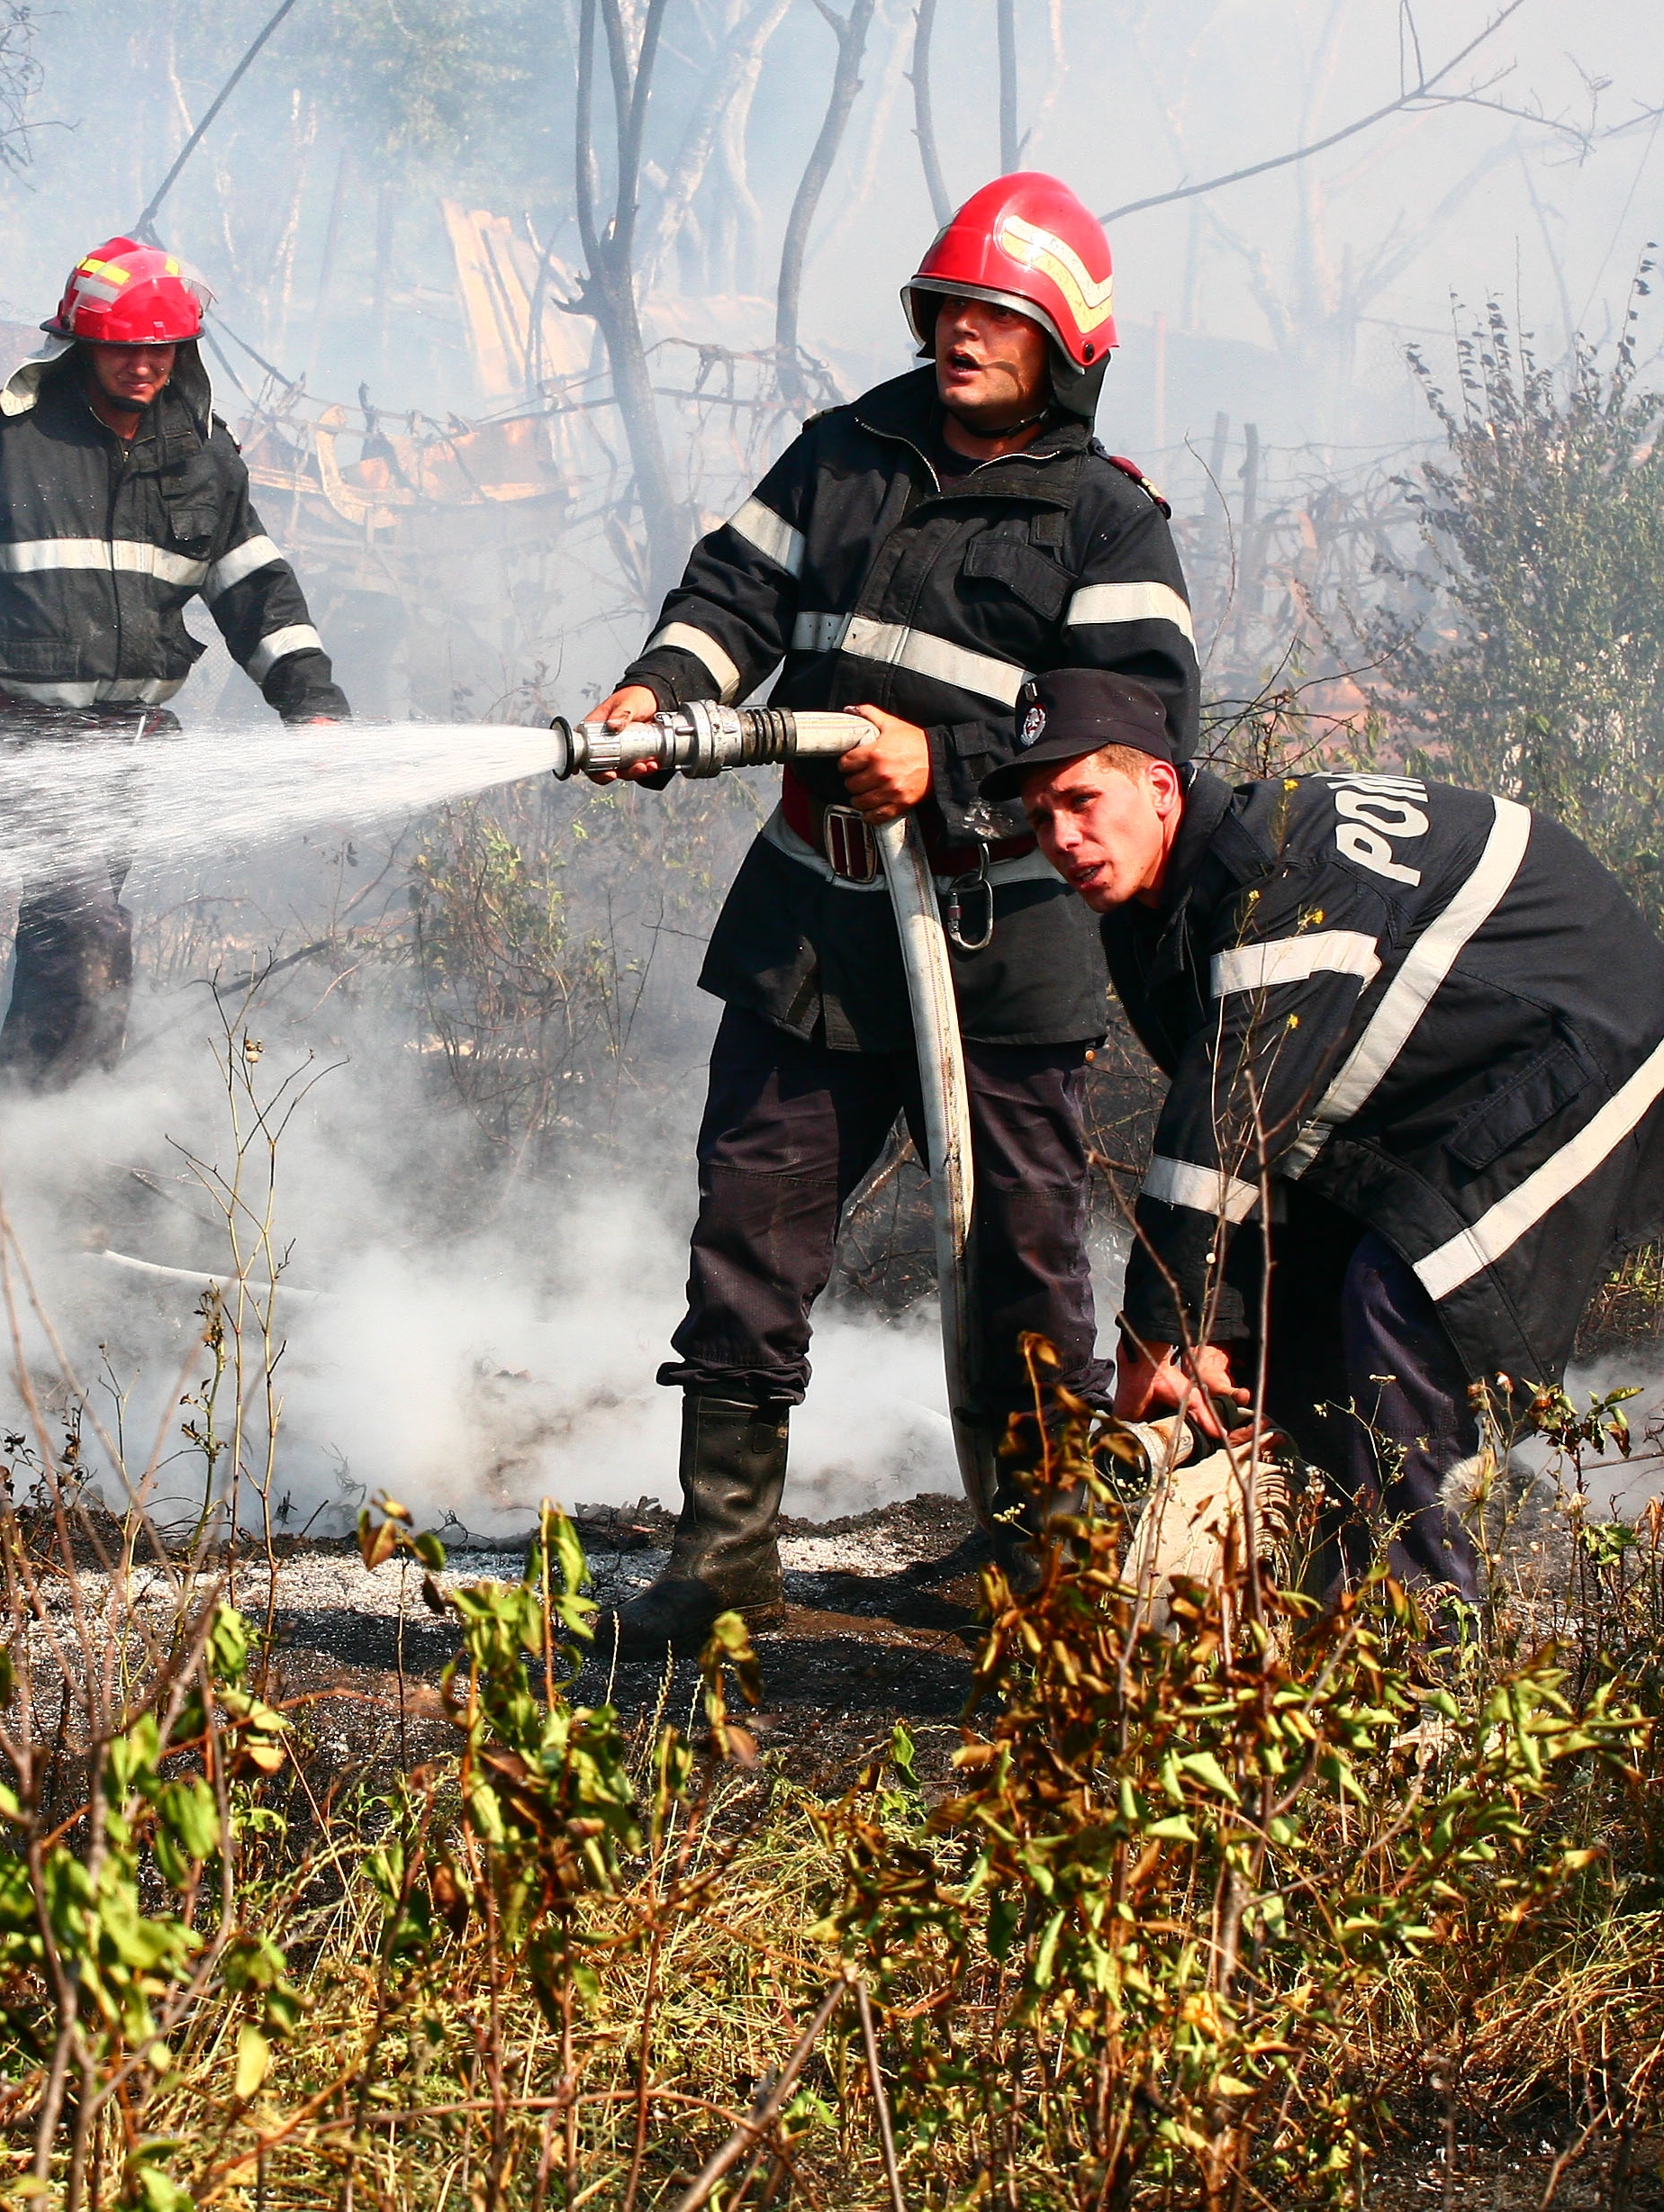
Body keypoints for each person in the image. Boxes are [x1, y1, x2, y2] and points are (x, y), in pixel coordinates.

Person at [584, 175, 1200, 1652]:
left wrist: (950, 765)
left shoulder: (1106, 522)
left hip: (998, 937)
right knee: (749, 1220)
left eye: (996, 314)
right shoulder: (840, 455)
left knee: (1020, 1257)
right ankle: (722, 1565)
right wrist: (660, 692)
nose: (962, 336)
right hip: (818, 921)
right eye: (948, 310)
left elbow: (1127, 730)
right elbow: (729, 594)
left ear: (1063, 338)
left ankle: (1041, 1577)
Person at [995, 667, 1664, 1620]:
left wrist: (1155, 1334)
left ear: (1158, 787)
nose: (1061, 839)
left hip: (1586, 1043)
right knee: (1298, 1312)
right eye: (1037, 819)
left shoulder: (1276, 882)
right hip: (1448, 1082)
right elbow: (1253, 1153)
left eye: (1079, 800)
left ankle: (1426, 1651)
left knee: (1395, 1302)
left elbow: (1225, 1123)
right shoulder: (1157, 913)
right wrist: (1215, 1334)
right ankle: (1329, 1600)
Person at [0, 238, 350, 1096]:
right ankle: (50, 1145)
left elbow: (257, 590)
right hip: (5, 727)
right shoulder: (7, 443)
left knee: (74, 931)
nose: (142, 366)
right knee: (86, 924)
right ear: (80, 343)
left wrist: (313, 705)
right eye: (121, 347)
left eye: (159, 349)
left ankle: (26, 1135)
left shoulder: (204, 461)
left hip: (123, 741)